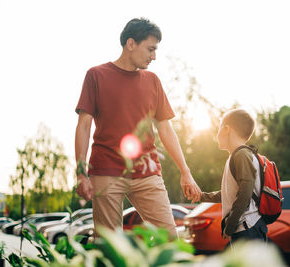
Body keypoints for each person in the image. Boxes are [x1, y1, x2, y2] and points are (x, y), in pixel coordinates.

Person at [74, 17, 201, 238]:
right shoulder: (96, 75)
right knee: (109, 244)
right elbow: (84, 126)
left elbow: (166, 129)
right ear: (131, 44)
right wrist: (81, 173)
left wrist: (185, 171)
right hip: (106, 170)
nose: (154, 56)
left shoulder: (152, 81)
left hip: (147, 171)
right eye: (150, 49)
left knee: (169, 237)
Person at [199, 109, 268, 243]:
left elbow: (244, 194)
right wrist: (202, 196)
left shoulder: (241, 155)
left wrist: (229, 226)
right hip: (245, 228)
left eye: (218, 129)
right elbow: (229, 193)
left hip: (248, 229)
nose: (217, 134)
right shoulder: (236, 156)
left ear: (226, 129)